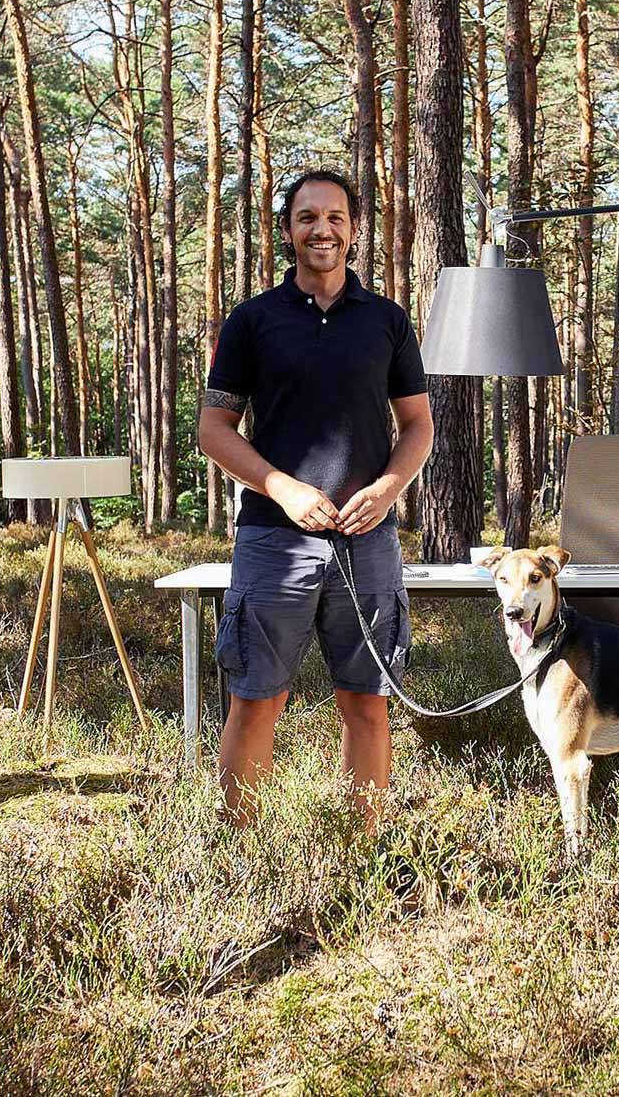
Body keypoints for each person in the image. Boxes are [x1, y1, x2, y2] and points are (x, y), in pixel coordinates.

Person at [196, 169, 433, 826]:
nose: (321, 229)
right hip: (274, 540)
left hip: (369, 545)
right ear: (289, 231)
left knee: (367, 701)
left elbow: (418, 425)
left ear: (354, 229)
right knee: (256, 700)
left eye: (335, 217)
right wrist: (282, 486)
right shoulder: (252, 321)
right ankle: (243, 859)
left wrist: (388, 488)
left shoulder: (386, 321)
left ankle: (361, 852)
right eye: (307, 217)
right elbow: (213, 429)